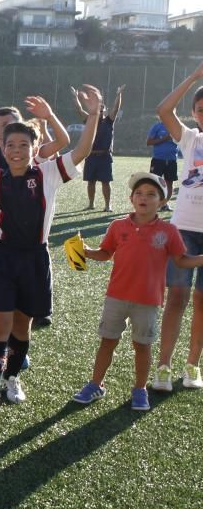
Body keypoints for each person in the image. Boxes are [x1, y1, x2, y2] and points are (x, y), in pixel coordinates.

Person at [0, 85, 102, 416]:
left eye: (24, 145)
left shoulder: (47, 173)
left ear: (34, 149)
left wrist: (92, 114)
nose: (16, 150)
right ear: (1, 148)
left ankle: (12, 378)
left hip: (35, 259)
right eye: (10, 145)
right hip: (2, 258)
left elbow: (83, 149)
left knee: (22, 328)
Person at [73, 172, 203, 411]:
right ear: (131, 198)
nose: (144, 198)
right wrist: (88, 251)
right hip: (116, 297)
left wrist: (200, 259)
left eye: (151, 194)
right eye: (139, 193)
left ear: (162, 202)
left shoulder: (169, 231)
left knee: (142, 346)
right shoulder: (118, 226)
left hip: (148, 301)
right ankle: (95, 384)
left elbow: (182, 260)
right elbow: (106, 253)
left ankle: (140, 388)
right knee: (107, 342)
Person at [0, 101, 71, 333]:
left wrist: (49, 117)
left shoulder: (33, 157)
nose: (1, 129)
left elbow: (61, 143)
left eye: (7, 124)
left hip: (25, 232)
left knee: (23, 302)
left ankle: (18, 344)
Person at [152, 61, 203, 392]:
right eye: (200, 109)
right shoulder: (191, 139)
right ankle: (164, 367)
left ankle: (192, 366)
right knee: (176, 299)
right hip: (183, 230)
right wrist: (195, 76)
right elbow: (164, 109)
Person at [74, 84, 124, 212]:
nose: (100, 111)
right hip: (91, 156)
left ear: (105, 111)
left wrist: (119, 94)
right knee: (91, 182)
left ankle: (108, 205)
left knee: (105, 182)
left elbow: (116, 108)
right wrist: (76, 97)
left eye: (102, 109)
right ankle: (91, 204)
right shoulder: (89, 120)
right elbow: (79, 110)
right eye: (99, 109)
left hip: (105, 157)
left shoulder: (109, 121)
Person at [147, 120, 178, 212]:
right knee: (154, 183)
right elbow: (148, 142)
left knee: (169, 184)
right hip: (158, 160)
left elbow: (182, 141)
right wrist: (165, 138)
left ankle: (164, 204)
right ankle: (153, 204)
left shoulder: (177, 127)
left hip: (172, 160)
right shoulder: (157, 127)